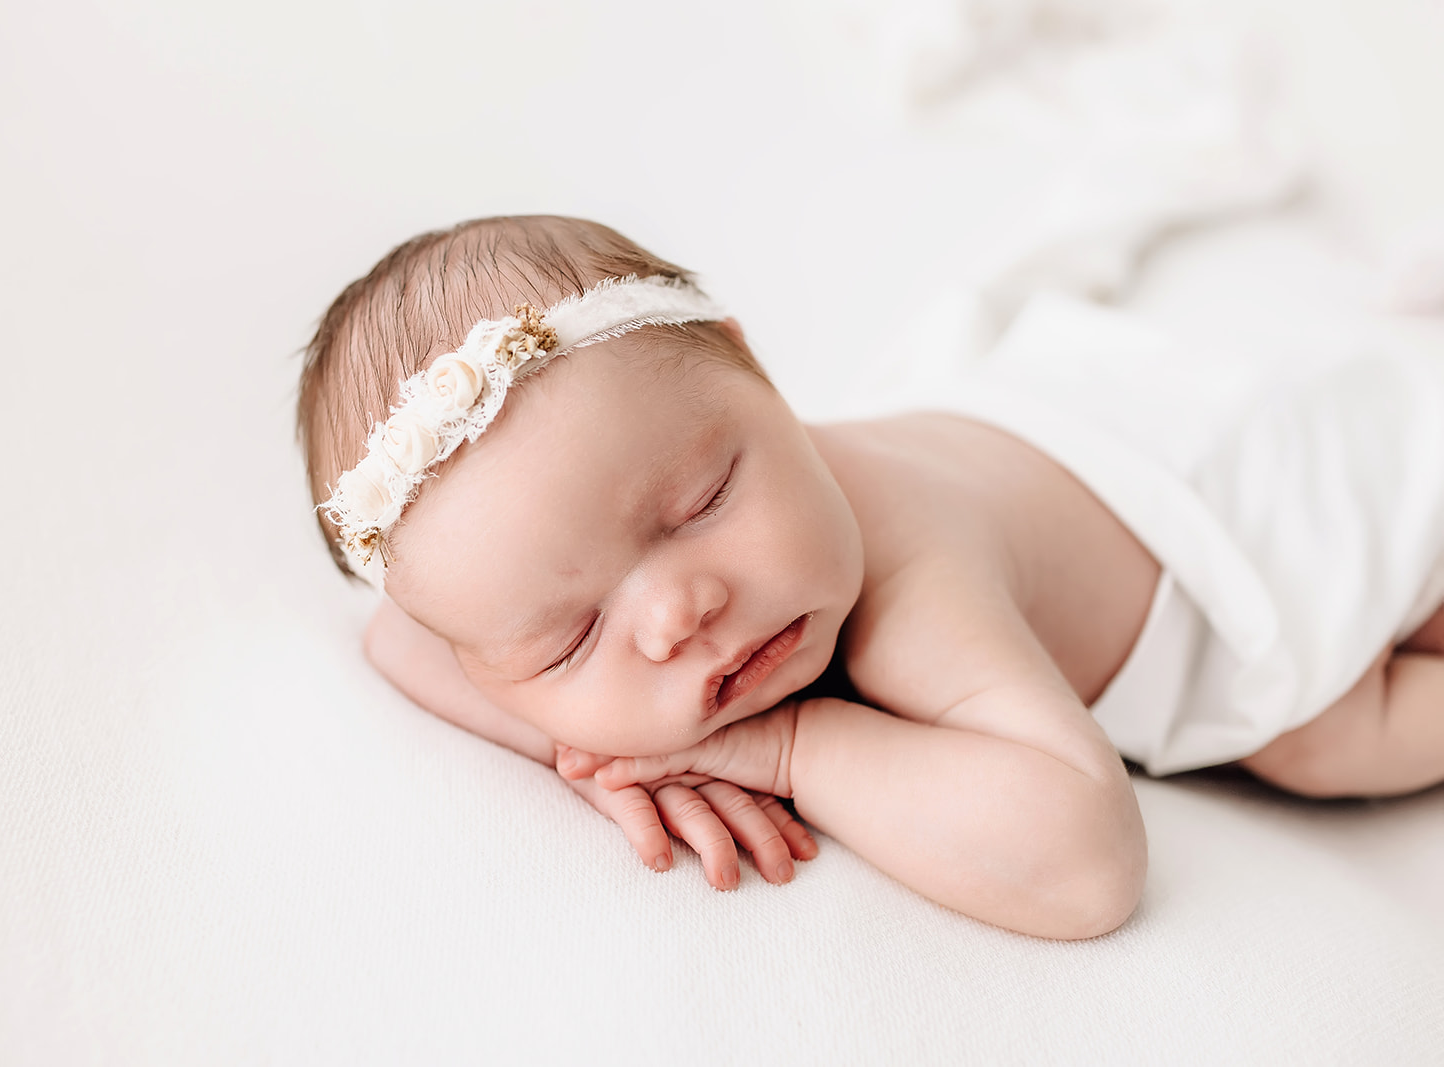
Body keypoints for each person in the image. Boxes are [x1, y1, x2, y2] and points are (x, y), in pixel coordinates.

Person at [296, 215, 1444, 940]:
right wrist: (586, 752)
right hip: (1051, 436)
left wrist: (784, 747)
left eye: (701, 502)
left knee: (1325, 734)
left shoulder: (907, 576)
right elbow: (398, 640)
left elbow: (1087, 866)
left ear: (756, 372)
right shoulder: (506, 609)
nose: (674, 615)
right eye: (569, 639)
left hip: (1226, 516)